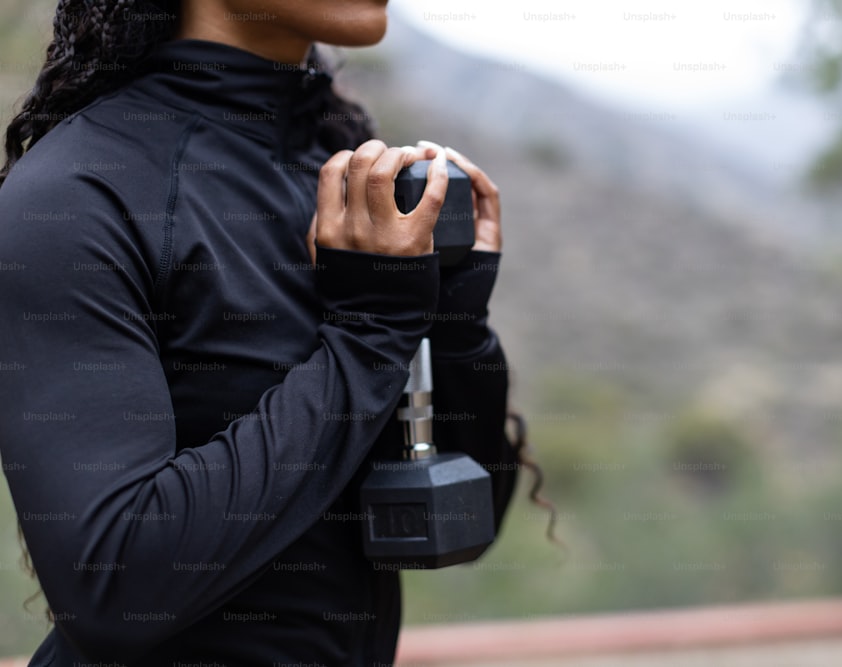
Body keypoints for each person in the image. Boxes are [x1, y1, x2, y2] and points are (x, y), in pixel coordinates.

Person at [0, 0, 521, 664]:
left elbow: (462, 521)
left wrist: (454, 329)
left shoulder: (340, 170)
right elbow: (114, 592)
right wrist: (366, 337)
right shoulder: (75, 195)